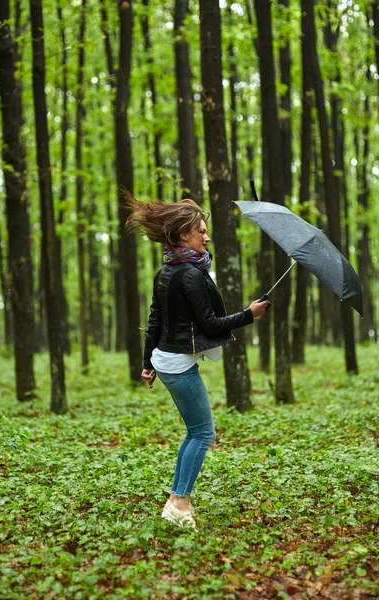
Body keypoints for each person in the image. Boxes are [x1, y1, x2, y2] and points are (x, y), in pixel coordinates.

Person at [125, 192, 268, 530]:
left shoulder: (169, 268)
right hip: (176, 363)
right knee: (203, 433)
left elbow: (155, 319)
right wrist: (249, 314)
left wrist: (147, 363)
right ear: (182, 235)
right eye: (200, 231)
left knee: (195, 432)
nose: (206, 237)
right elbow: (210, 325)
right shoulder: (189, 274)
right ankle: (179, 502)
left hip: (165, 359)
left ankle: (177, 499)